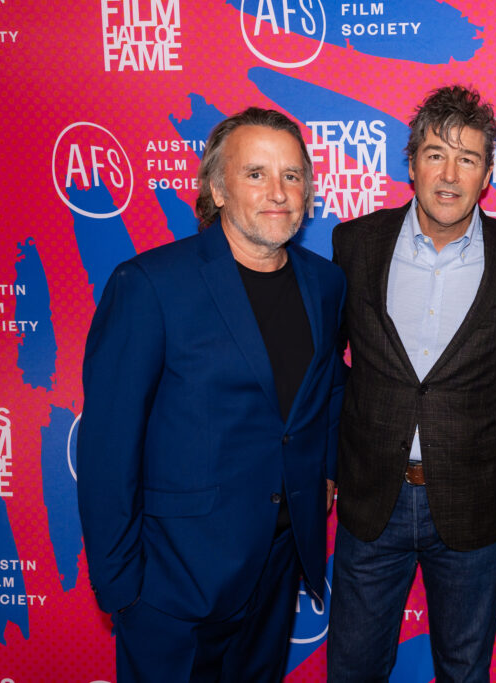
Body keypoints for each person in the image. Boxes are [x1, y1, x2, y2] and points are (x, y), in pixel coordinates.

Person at [77, 107, 348, 682]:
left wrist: (322, 471)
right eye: (256, 174)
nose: (278, 192)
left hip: (276, 569)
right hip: (173, 578)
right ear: (218, 189)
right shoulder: (149, 284)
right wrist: (123, 586)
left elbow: (325, 386)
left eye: (292, 175)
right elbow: (108, 447)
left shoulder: (324, 283)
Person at [328, 85, 496, 682]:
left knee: (464, 671)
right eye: (434, 154)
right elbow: (328, 370)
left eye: (467, 158)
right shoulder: (354, 245)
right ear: (411, 163)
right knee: (352, 668)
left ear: (488, 172)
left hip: (471, 505)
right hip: (372, 498)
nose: (449, 175)